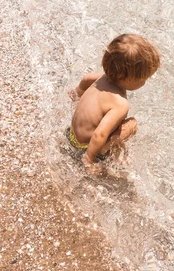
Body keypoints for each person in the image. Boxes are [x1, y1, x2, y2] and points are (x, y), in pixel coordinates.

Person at [67, 34, 160, 173]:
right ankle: (107, 152)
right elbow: (99, 134)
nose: (144, 82)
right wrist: (88, 161)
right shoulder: (120, 104)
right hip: (85, 147)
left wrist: (75, 94)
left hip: (71, 135)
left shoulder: (99, 79)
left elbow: (85, 79)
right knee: (131, 125)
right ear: (128, 80)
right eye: (143, 79)